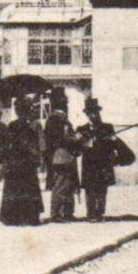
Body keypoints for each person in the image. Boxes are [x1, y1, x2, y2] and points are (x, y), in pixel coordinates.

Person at [76, 97, 124, 222]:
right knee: (90, 188)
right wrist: (84, 139)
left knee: (102, 188)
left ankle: (100, 212)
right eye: (90, 112)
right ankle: (91, 213)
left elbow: (113, 144)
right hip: (89, 163)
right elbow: (78, 147)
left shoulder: (107, 127)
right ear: (86, 114)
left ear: (98, 112)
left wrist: (110, 139)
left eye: (95, 112)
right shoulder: (82, 129)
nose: (93, 115)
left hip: (103, 162)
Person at [0, 97, 44, 226]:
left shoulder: (13, 125)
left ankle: (14, 217)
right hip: (27, 161)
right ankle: (29, 217)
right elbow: (36, 145)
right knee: (28, 189)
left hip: (15, 162)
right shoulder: (32, 125)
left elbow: (7, 143)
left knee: (15, 189)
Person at [43, 89, 80, 221]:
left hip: (67, 156)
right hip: (59, 156)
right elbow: (56, 139)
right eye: (63, 101)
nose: (66, 103)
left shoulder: (64, 120)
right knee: (60, 185)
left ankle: (67, 212)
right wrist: (73, 139)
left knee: (69, 185)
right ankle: (56, 213)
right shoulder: (54, 119)